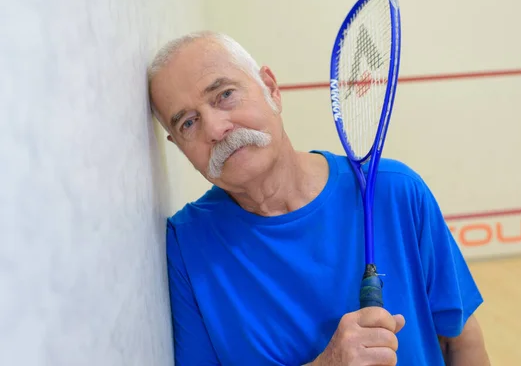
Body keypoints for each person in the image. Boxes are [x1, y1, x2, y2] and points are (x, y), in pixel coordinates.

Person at [148, 31, 490, 366]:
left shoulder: (395, 190)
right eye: (188, 123)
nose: (215, 128)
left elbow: (460, 338)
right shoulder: (186, 245)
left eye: (224, 95)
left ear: (271, 88)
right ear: (178, 146)